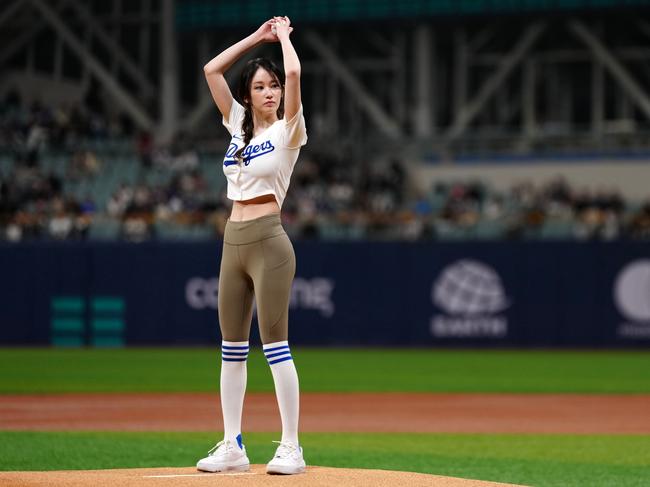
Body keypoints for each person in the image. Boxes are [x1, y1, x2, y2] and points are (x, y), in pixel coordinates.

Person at [195, 16, 307, 475]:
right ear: (248, 95)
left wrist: (281, 39)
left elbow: (297, 74)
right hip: (233, 240)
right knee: (231, 348)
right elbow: (211, 70)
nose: (270, 92)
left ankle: (292, 447)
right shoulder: (238, 126)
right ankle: (232, 445)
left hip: (268, 240)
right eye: (261, 86)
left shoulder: (288, 131)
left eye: (273, 86)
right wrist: (256, 38)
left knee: (275, 345)